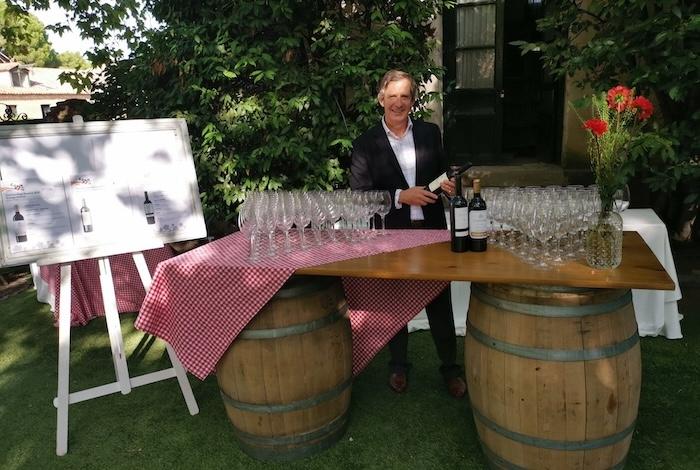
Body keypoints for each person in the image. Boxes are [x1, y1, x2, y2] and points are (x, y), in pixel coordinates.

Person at [349, 69, 467, 399]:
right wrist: (402, 196)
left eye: (405, 96)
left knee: (439, 301)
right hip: (390, 235)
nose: (398, 103)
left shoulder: (430, 133)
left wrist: (448, 185)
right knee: (393, 302)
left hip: (430, 232)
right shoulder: (365, 143)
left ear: (413, 100)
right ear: (381, 99)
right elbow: (360, 195)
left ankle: (450, 368)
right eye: (392, 96)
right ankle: (398, 365)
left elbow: (441, 174)